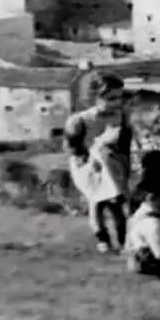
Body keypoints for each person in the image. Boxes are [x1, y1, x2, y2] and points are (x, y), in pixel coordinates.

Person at [63, 74, 135, 254]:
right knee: (97, 202)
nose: (116, 103)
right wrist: (91, 156)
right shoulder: (80, 120)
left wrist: (124, 166)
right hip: (88, 167)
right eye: (110, 98)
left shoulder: (121, 117)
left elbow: (125, 145)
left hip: (113, 164)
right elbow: (72, 147)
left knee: (117, 203)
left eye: (119, 97)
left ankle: (122, 241)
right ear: (94, 97)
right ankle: (103, 240)